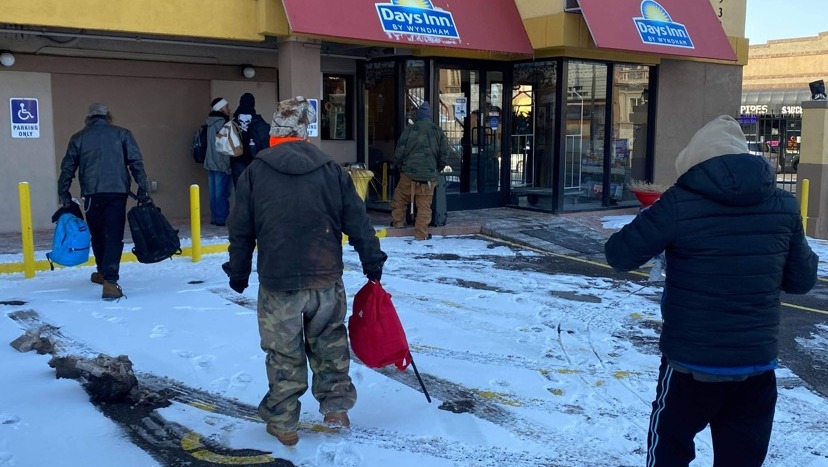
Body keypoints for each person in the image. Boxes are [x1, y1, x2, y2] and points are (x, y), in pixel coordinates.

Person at [604, 115, 818, 467]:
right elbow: (801, 281)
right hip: (755, 365)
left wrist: (656, 220)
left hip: (690, 365)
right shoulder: (783, 205)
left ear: (694, 162)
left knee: (669, 451)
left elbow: (619, 255)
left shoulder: (678, 203)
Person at [222, 96, 387, 446]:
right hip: (325, 277)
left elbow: (240, 229)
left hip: (278, 280)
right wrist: (372, 260)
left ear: (275, 131)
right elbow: (357, 220)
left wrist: (239, 271)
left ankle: (283, 421)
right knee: (330, 342)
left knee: (283, 351)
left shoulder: (255, 172)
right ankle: (336, 409)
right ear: (304, 132)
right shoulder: (330, 170)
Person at [57, 103, 151, 301]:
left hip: (92, 194)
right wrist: (143, 188)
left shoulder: (79, 137)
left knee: (98, 234)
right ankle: (110, 281)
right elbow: (136, 163)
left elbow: (67, 168)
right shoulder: (123, 134)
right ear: (108, 116)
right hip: (117, 192)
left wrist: (63, 192)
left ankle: (103, 273)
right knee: (113, 236)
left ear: (88, 118)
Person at [390, 101, 449, 240]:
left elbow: (399, 152)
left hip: (408, 173)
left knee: (400, 198)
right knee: (424, 206)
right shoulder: (438, 131)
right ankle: (421, 234)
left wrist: (400, 167)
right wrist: (437, 169)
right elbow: (444, 155)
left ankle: (398, 222)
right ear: (429, 116)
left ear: (418, 116)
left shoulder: (409, 130)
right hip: (428, 175)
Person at [231, 92, 270, 186]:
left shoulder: (234, 120)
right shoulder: (258, 121)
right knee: (253, 187)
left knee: (240, 187)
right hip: (253, 158)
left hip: (237, 159)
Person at [204, 97, 232, 226]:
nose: (229, 109)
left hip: (210, 161)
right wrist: (227, 163)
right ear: (221, 109)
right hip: (221, 162)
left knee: (214, 193)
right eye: (226, 107)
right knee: (222, 193)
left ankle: (215, 217)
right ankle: (221, 219)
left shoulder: (210, 123)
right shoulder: (223, 123)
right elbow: (225, 145)